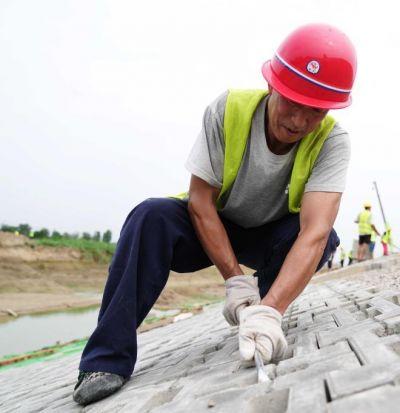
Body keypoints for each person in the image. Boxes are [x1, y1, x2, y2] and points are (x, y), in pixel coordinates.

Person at [72, 23, 357, 406]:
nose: (299, 121)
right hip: (212, 224)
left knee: (326, 238)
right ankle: (105, 361)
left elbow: (314, 232)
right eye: (292, 102)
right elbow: (200, 202)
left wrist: (268, 311)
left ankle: (260, 314)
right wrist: (234, 283)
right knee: (149, 217)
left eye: (316, 111)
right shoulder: (229, 110)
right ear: (273, 85)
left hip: (269, 239)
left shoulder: (332, 141)